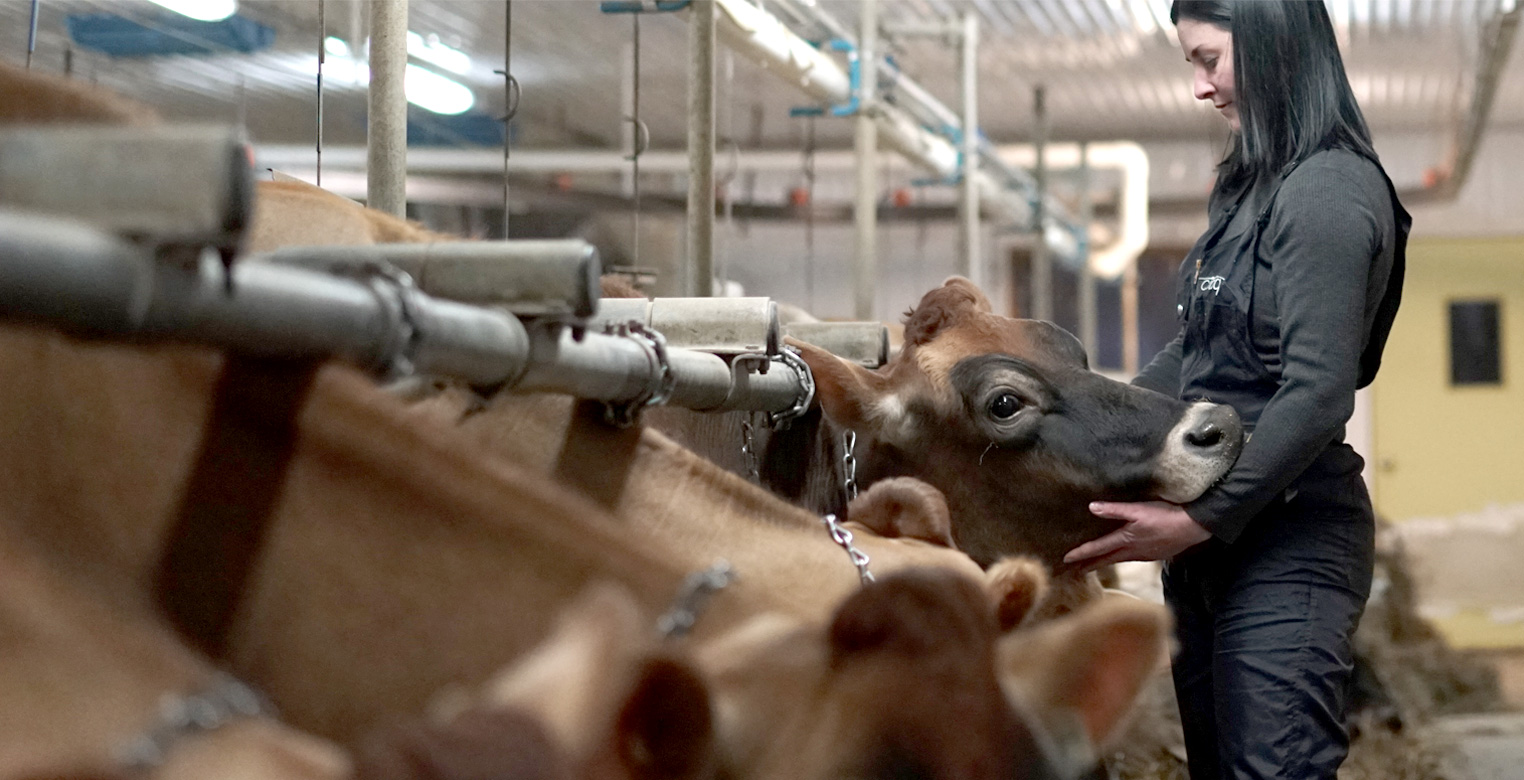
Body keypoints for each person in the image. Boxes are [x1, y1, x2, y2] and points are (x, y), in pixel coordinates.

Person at [1062, 2, 1410, 779]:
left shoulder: (1327, 191)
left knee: (1271, 769)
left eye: (1208, 59)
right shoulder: (1247, 185)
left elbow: (1318, 393)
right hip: (1211, 545)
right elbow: (1200, 354)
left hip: (1286, 537)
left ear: (1271, 42)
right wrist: (1084, 419)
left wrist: (1199, 519)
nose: (1199, 86)